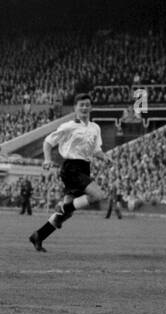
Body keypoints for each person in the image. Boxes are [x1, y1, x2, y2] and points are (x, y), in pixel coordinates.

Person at [28, 93, 109, 252]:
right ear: (75, 108)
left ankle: (38, 236)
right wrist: (47, 159)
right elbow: (48, 142)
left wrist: (104, 157)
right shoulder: (68, 126)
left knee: (66, 214)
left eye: (87, 104)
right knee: (98, 195)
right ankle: (63, 206)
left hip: (85, 167)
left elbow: (96, 149)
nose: (84, 107)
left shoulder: (95, 128)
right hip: (71, 168)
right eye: (81, 105)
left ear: (91, 107)